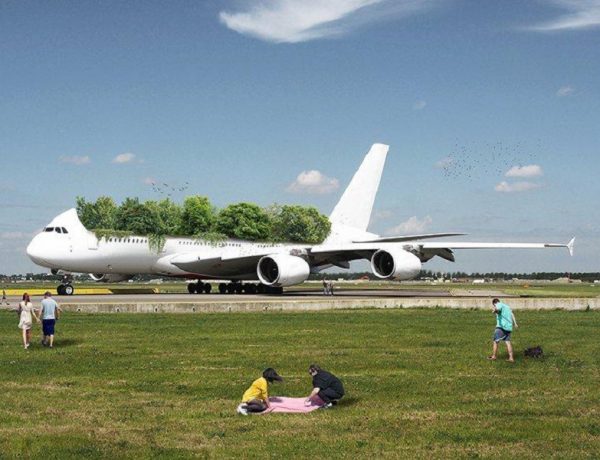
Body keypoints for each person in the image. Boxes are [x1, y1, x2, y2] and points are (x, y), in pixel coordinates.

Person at [488, 298, 518, 362]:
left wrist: (494, 310)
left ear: (494, 303)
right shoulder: (507, 307)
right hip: (509, 327)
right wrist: (515, 323)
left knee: (495, 341)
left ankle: (494, 356)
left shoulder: (498, 304)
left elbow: (498, 309)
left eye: (494, 305)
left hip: (501, 327)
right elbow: (512, 314)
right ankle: (511, 358)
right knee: (507, 342)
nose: (494, 306)